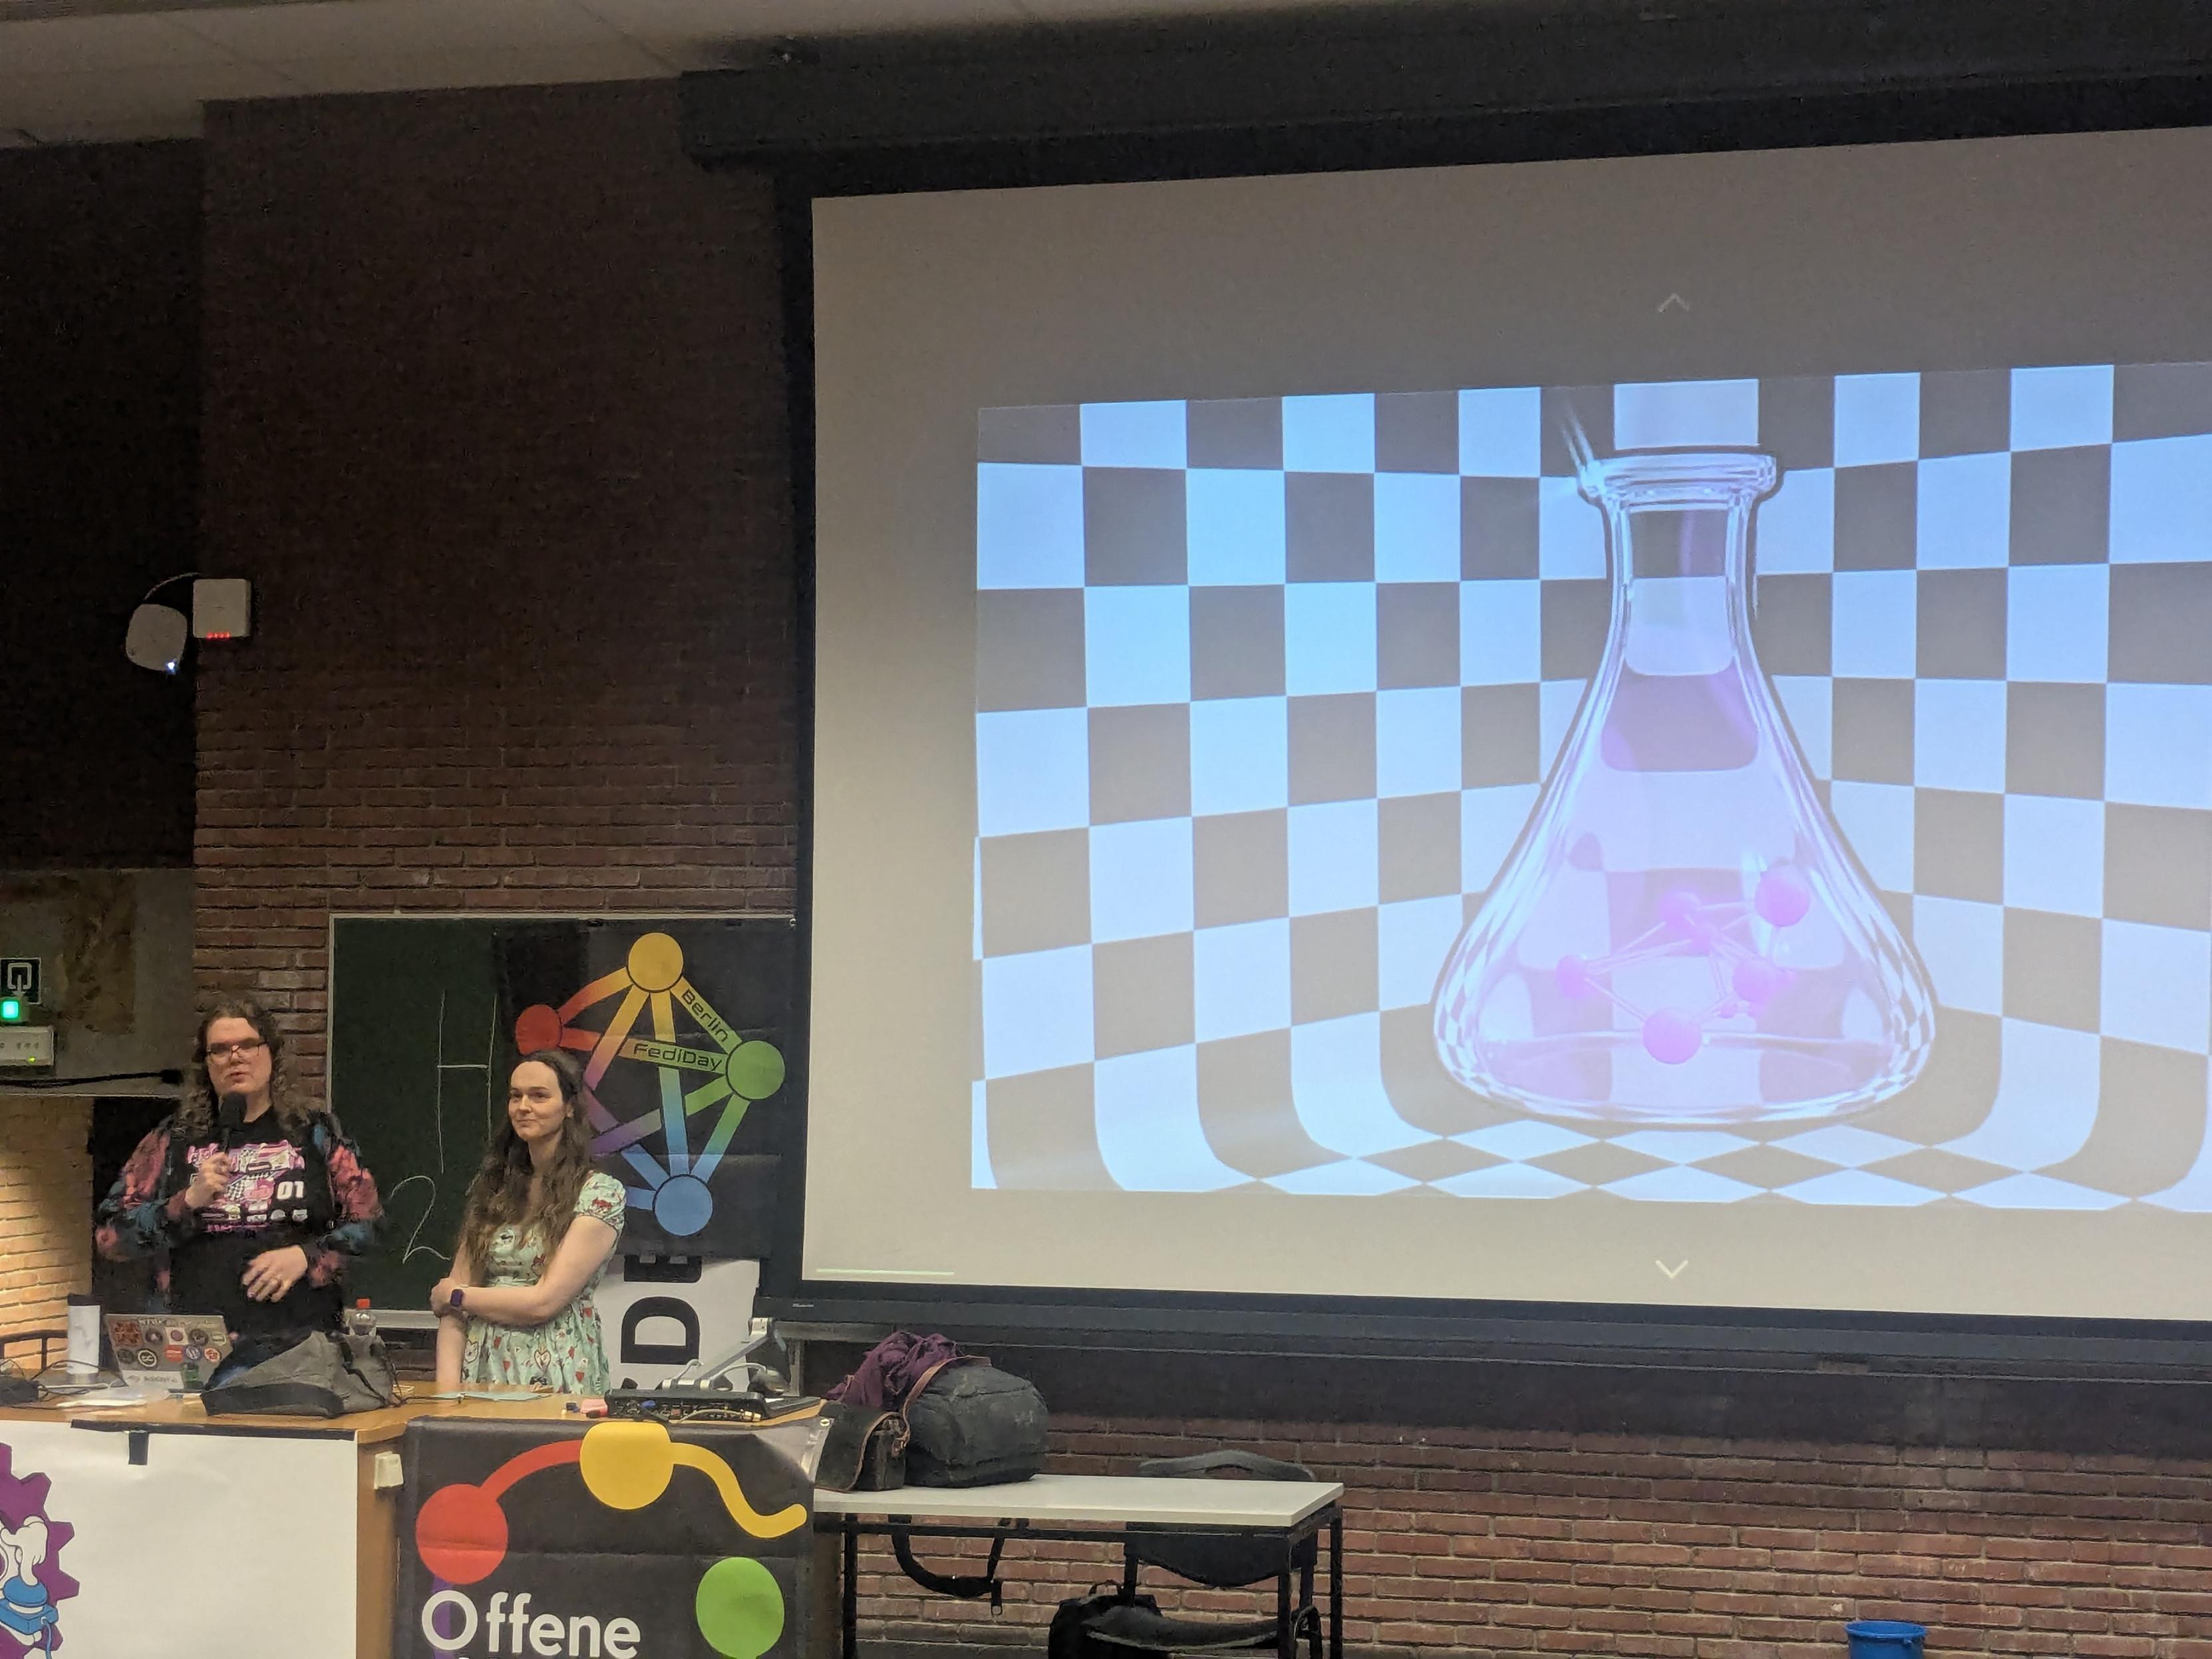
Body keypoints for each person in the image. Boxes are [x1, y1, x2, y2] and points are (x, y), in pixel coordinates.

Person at [95, 998, 384, 1366]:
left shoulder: (314, 1133)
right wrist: (186, 1202)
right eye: (220, 1049)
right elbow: (110, 1238)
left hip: (299, 1350)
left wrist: (307, 1256)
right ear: (206, 1063)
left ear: (271, 1053)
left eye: (248, 1045)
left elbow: (370, 1226)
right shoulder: (174, 1139)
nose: (235, 1058)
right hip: (196, 1348)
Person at [432, 1048, 624, 1394]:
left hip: (556, 1370)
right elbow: (453, 1301)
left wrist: (458, 1296)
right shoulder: (495, 1189)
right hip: (481, 1369)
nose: (523, 1107)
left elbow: (542, 1303)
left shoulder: (598, 1193)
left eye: (539, 1096)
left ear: (569, 1107)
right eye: (515, 1096)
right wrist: (446, 1394)